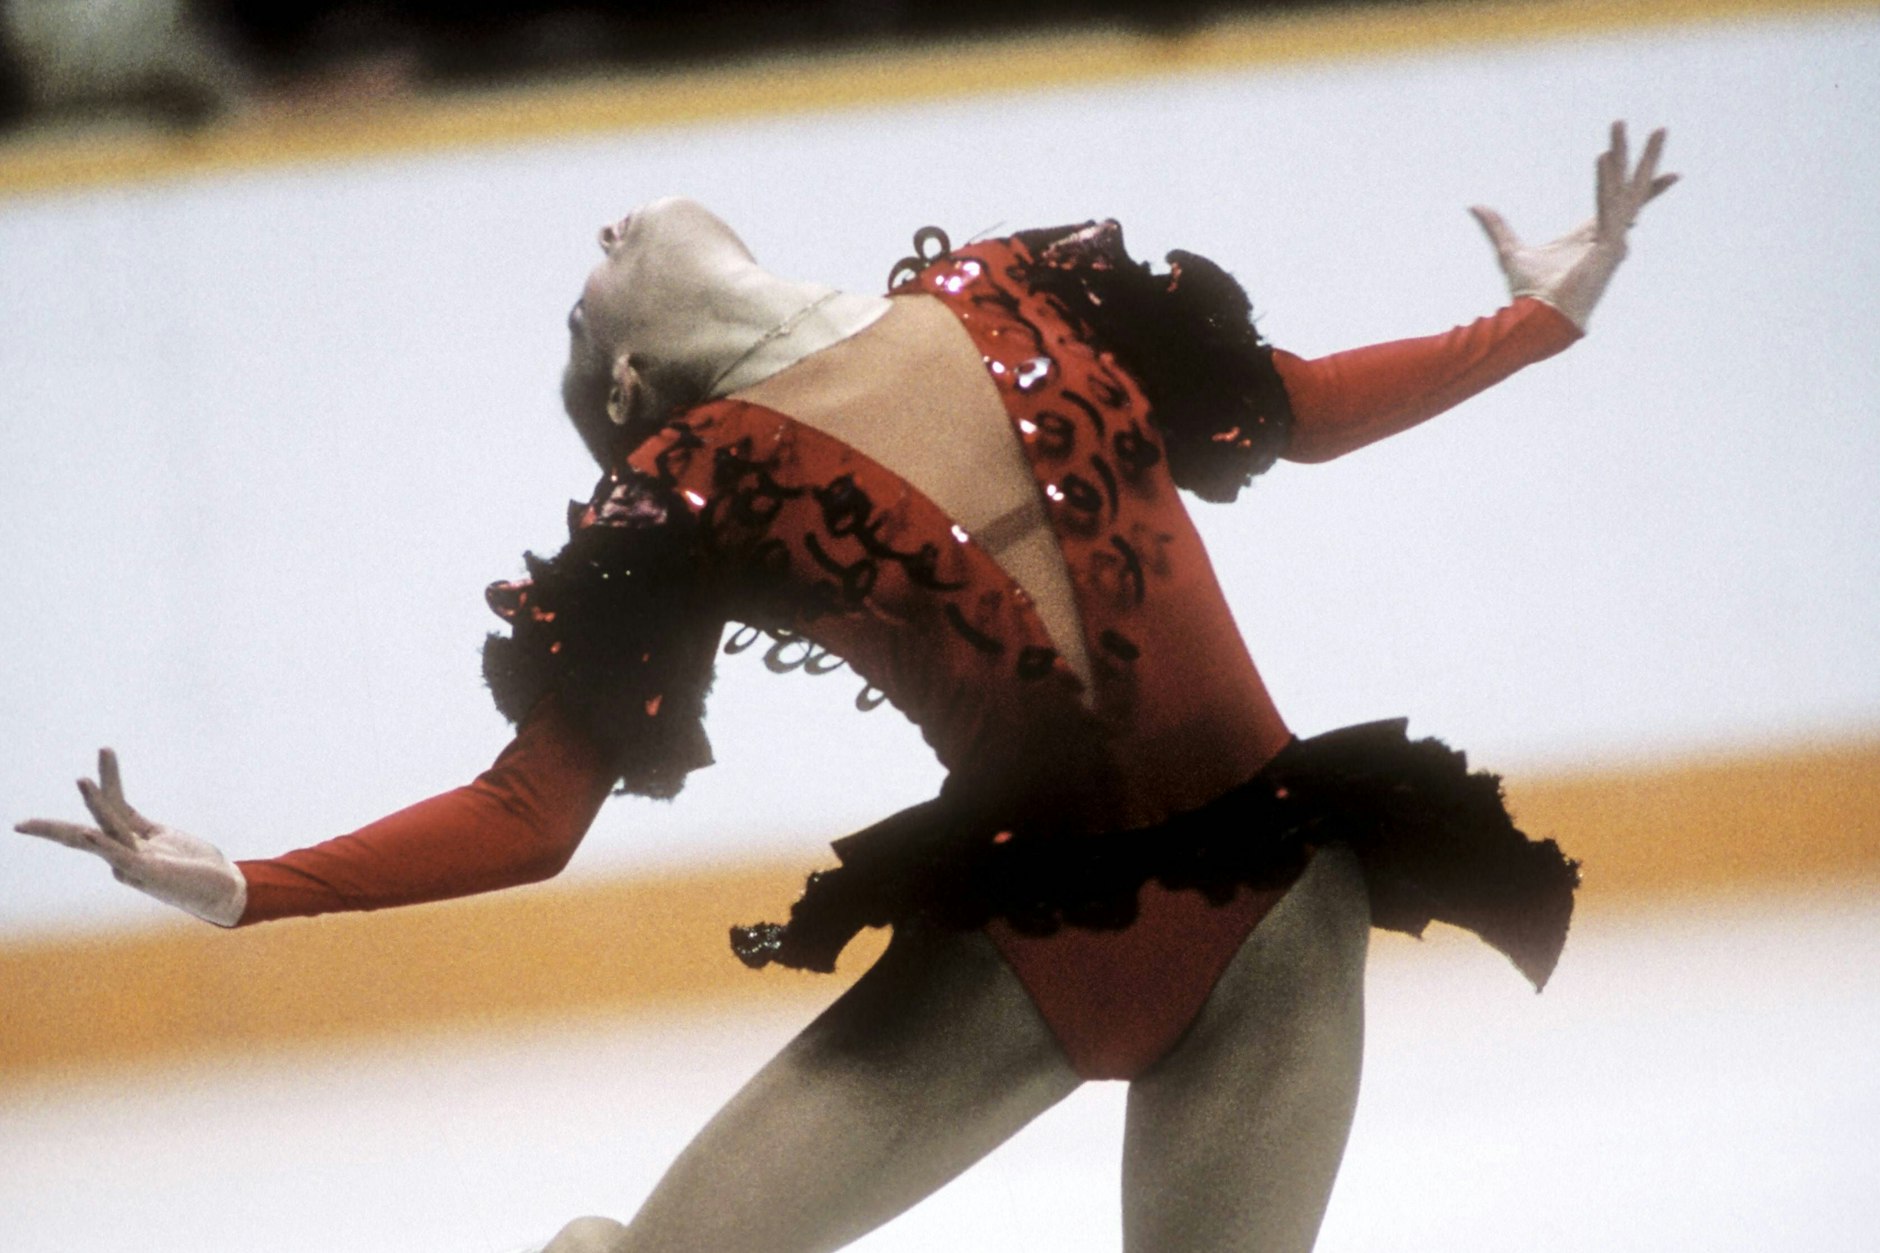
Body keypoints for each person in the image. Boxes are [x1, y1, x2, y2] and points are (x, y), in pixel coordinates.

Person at [16, 123, 1674, 1252]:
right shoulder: (686, 483)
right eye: (580, 299)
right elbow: (532, 810)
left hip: (1280, 921)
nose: (601, 235)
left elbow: (1293, 406)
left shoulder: (1027, 287)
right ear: (636, 379)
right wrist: (247, 886)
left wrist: (1537, 317)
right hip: (1026, 957)